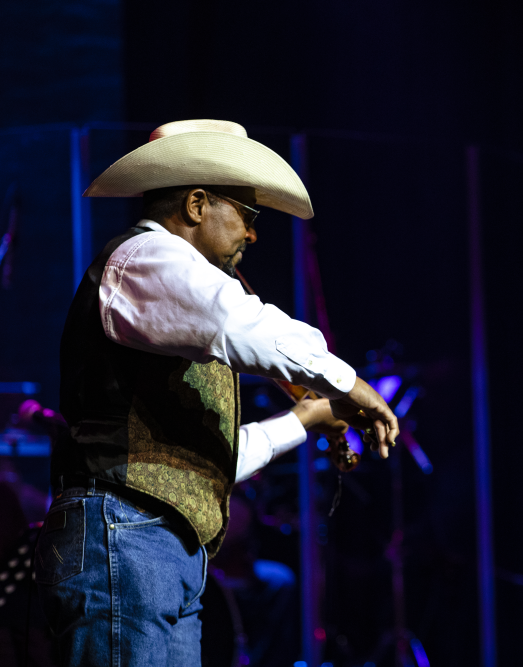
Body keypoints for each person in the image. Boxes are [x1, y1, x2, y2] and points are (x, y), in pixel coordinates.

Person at [34, 119, 399, 667]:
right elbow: (238, 320)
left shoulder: (174, 304)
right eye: (247, 216)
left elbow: (206, 462)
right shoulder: (145, 258)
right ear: (197, 204)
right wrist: (348, 383)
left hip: (160, 550)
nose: (252, 235)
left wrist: (304, 418)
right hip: (123, 537)